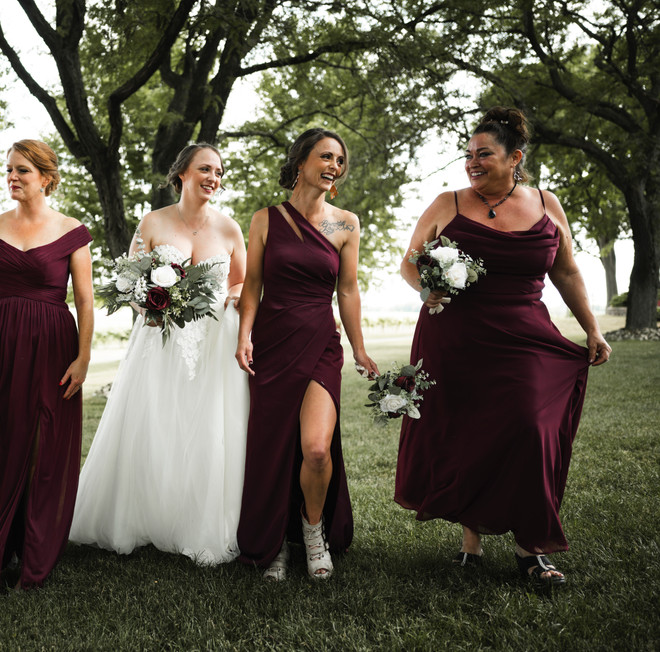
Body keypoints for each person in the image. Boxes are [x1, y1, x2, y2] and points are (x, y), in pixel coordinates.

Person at [394, 107, 612, 589]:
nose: (472, 162)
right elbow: (410, 262)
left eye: (484, 154)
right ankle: (471, 545)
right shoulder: (446, 203)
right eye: (468, 154)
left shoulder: (547, 204)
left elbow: (568, 271)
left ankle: (531, 550)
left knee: (532, 426)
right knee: (471, 433)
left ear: (514, 158)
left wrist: (592, 329)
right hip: (456, 337)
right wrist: (424, 288)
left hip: (525, 334)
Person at [70, 143, 249, 564]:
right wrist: (149, 303)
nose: (214, 177)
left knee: (207, 427)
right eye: (205, 168)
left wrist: (235, 298)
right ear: (182, 173)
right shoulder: (152, 222)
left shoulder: (230, 228)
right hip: (159, 337)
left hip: (213, 344)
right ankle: (144, 517)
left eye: (219, 171)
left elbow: (242, 283)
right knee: (155, 424)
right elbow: (130, 283)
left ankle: (197, 520)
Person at [236, 129, 379, 581]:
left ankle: (312, 531)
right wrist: (244, 335)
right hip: (272, 343)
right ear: (300, 162)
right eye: (325, 156)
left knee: (316, 449)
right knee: (274, 448)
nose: (334, 165)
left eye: (340, 159)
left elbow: (348, 290)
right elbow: (253, 286)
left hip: (320, 341)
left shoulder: (346, 224)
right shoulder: (264, 219)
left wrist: (358, 347)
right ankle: (274, 542)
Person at [0, 139, 94, 589]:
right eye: (9, 170)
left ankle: (36, 555)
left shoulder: (73, 231)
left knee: (44, 448)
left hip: (53, 346)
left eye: (22, 171)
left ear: (47, 178)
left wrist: (84, 357)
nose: (12, 177)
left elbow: (86, 302)